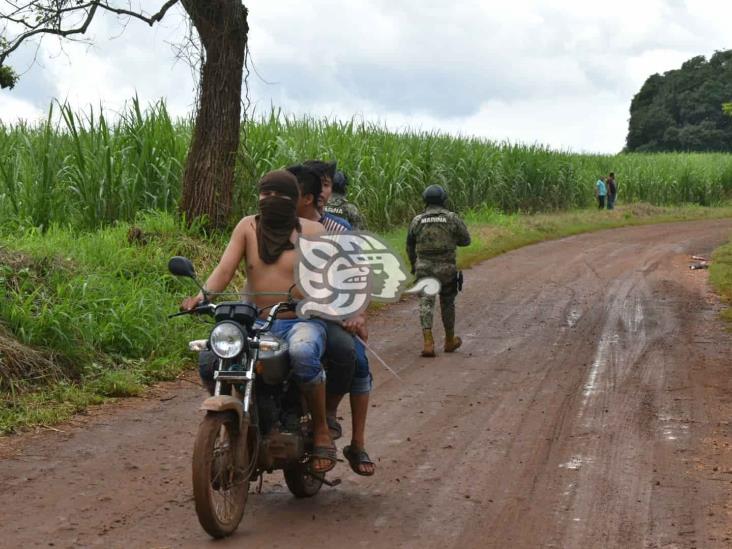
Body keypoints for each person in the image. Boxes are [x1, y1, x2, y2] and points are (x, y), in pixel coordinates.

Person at [180, 170, 337, 474]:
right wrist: (201, 296)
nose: (271, 200)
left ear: (294, 201)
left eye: (280, 195)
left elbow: (327, 279)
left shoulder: (314, 232)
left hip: (298, 321)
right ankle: (234, 425)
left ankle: (321, 430)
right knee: (209, 358)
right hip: (253, 322)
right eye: (266, 195)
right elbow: (224, 270)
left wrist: (317, 297)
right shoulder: (247, 227)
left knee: (304, 355)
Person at [290, 163, 376, 476]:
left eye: (326, 185)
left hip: (331, 315)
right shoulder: (269, 225)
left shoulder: (337, 228)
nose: (324, 193)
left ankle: (352, 437)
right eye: (319, 186)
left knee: (354, 358)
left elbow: (358, 273)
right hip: (285, 314)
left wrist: (356, 313)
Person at [407, 185, 471, 357]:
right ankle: (449, 340)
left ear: (425, 201)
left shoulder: (417, 220)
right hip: (447, 269)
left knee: (426, 303)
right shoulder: (452, 218)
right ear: (444, 200)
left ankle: (428, 343)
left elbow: (410, 245)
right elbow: (466, 241)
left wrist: (414, 265)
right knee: (447, 303)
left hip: (424, 269)